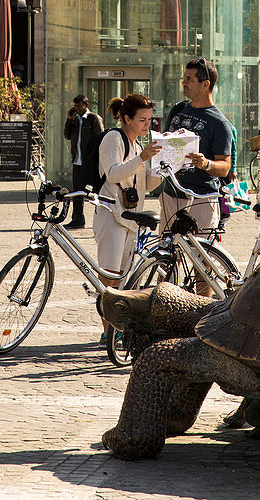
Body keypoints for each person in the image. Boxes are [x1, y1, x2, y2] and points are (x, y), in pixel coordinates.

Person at [93, 93, 160, 339]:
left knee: (122, 278)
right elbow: (112, 174)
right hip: (111, 213)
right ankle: (107, 332)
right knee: (109, 277)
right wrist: (141, 159)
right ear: (126, 118)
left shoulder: (138, 146)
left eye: (150, 120)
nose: (147, 125)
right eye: (142, 119)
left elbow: (147, 185)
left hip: (131, 217)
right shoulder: (114, 138)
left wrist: (163, 166)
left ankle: (116, 331)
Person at [159, 58, 237, 245]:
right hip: (171, 195)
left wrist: (205, 163)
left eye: (189, 79)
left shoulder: (220, 124)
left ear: (205, 84)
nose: (183, 82)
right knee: (164, 259)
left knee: (202, 262)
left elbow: (225, 167)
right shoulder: (178, 110)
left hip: (202, 199)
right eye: (183, 78)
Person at [63, 94, 104, 230]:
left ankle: (103, 219)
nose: (77, 108)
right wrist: (69, 120)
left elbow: (100, 139)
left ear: (86, 105)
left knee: (95, 192)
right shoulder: (75, 119)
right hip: (77, 161)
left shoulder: (93, 118)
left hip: (90, 162)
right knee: (77, 191)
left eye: (79, 106)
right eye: (75, 106)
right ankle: (78, 219)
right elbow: (67, 135)